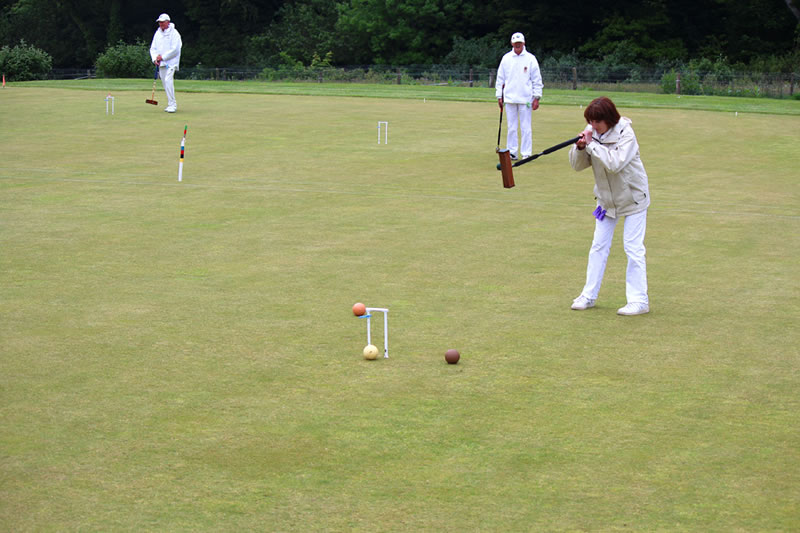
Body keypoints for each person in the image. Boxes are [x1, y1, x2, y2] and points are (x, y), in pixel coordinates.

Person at [568, 96, 651, 316]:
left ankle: (639, 300)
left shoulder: (626, 134)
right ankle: (588, 295)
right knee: (598, 246)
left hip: (633, 199)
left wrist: (592, 145)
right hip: (606, 201)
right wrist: (579, 148)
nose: (593, 126)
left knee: (633, 248)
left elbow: (615, 164)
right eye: (590, 122)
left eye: (597, 122)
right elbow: (577, 166)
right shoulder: (592, 132)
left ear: (609, 119)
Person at [495, 32, 543, 160]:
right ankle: (512, 152)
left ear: (523, 43)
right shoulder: (506, 58)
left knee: (526, 127)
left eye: (519, 43)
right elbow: (500, 79)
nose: (517, 45)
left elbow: (536, 80)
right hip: (509, 99)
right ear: (512, 43)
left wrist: (537, 97)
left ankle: (526, 153)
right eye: (515, 43)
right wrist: (499, 96)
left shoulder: (531, 59)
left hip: (526, 99)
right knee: (511, 127)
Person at [150, 13, 182, 113]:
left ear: (168, 22)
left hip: (171, 62)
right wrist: (155, 58)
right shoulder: (157, 33)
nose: (161, 24)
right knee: (165, 83)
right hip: (162, 63)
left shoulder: (174, 33)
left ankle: (173, 105)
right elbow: (153, 48)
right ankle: (170, 104)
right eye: (159, 22)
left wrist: (162, 57)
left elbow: (175, 49)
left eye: (162, 22)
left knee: (168, 80)